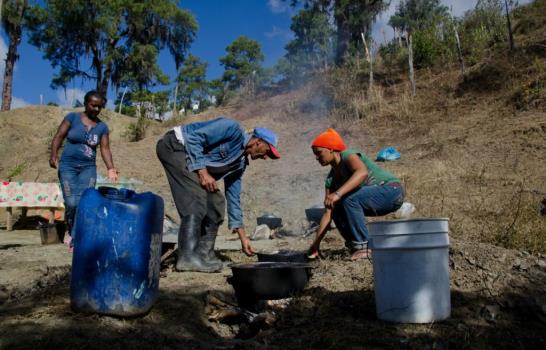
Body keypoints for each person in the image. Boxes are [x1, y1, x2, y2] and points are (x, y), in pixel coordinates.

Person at [156, 116, 280, 273]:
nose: (265, 157)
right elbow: (193, 138)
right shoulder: (231, 129)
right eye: (267, 152)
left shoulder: (240, 164)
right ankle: (187, 258)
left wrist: (244, 238)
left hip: (189, 158)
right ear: (258, 142)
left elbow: (233, 199)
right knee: (197, 197)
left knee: (217, 203)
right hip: (174, 146)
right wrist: (202, 172)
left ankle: (203, 254)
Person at [308, 128, 404, 260]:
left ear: (331, 148)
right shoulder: (331, 179)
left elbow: (362, 172)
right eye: (315, 154)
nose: (317, 158)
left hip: (391, 192)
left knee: (347, 198)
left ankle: (364, 246)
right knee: (334, 208)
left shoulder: (348, 155)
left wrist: (338, 193)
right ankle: (355, 245)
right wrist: (315, 244)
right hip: (372, 199)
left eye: (319, 153)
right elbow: (328, 213)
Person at [49, 90, 118, 249]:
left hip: (88, 168)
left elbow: (105, 149)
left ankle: (76, 235)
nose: (96, 109)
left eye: (99, 107)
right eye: (93, 105)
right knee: (72, 202)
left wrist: (111, 168)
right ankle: (69, 228)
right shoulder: (72, 118)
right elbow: (59, 136)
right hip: (68, 166)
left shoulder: (102, 127)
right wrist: (53, 155)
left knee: (85, 201)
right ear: (86, 103)